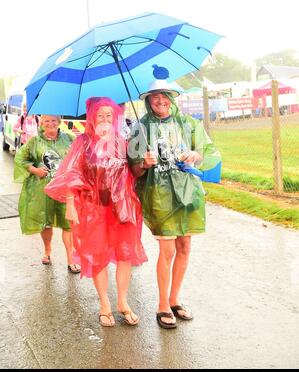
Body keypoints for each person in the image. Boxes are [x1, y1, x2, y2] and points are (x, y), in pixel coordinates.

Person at [128, 65, 221, 329]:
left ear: (172, 97)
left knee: (184, 247)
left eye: (164, 95)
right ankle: (161, 305)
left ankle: (174, 299)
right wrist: (144, 164)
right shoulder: (140, 128)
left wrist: (196, 155)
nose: (160, 100)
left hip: (187, 193)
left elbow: (207, 150)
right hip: (160, 196)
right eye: (154, 96)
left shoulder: (188, 123)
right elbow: (132, 169)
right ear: (147, 100)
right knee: (167, 249)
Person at [45, 97, 147, 327]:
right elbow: (71, 174)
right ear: (91, 117)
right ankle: (104, 304)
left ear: (115, 117)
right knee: (98, 254)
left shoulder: (123, 141)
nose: (105, 119)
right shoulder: (83, 143)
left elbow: (135, 171)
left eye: (109, 115)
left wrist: (144, 163)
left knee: (125, 254)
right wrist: (71, 203)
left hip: (123, 206)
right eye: (100, 115)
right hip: (94, 208)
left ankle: (122, 302)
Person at [14, 115, 81, 274]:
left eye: (53, 120)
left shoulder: (70, 139)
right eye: (46, 121)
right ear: (42, 124)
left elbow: (80, 158)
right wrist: (35, 170)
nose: (50, 124)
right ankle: (48, 250)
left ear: (59, 122)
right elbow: (20, 159)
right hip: (43, 189)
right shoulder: (34, 141)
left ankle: (71, 260)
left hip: (66, 190)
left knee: (68, 224)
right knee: (46, 222)